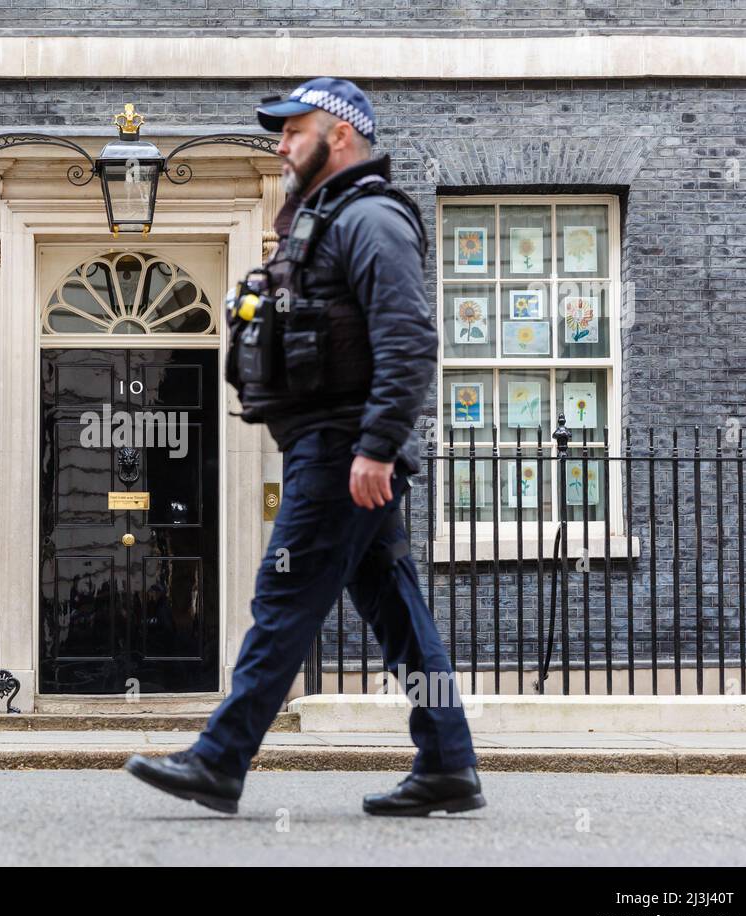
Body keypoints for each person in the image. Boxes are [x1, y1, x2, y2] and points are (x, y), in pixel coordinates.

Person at [125, 77, 485, 817]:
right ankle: (448, 760)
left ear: (341, 134)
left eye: (295, 130)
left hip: (343, 446)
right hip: (333, 444)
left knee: (283, 598)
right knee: (399, 614)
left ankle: (220, 759)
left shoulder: (372, 219)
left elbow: (410, 337)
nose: (282, 144)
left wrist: (378, 446)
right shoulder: (325, 219)